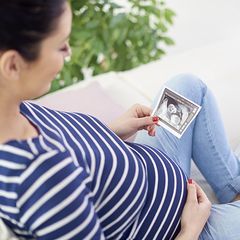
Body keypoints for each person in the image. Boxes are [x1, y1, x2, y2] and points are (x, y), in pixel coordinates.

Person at [0, 1, 240, 239]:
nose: (69, 52)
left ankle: (232, 190)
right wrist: (190, 229)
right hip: (175, 228)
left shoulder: (14, 106)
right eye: (60, 46)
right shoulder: (44, 178)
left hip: (156, 179)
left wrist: (107, 133)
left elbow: (72, 154)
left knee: (187, 88)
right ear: (12, 66)